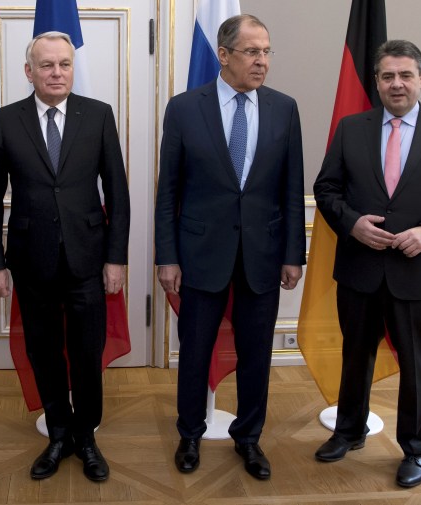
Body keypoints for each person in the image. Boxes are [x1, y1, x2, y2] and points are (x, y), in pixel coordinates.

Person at [313, 40, 421, 488]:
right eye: (388, 76)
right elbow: (326, 189)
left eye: (406, 75)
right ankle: (348, 432)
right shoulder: (351, 128)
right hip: (360, 269)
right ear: (377, 81)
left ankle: (417, 448)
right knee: (355, 357)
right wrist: (352, 225)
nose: (397, 84)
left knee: (417, 363)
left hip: (419, 272)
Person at [154, 14, 305, 479]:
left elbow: (291, 186)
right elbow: (169, 191)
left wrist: (292, 253)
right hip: (200, 255)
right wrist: (167, 255)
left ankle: (249, 438)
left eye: (266, 52)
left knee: (257, 354)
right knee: (195, 350)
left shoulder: (284, 108)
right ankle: (190, 434)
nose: (262, 62)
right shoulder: (184, 108)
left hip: (263, 253)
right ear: (223, 55)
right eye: (252, 52)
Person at [0, 31, 130, 482]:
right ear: (30, 72)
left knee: (86, 351)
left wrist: (116, 257)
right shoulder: (6, 120)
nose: (57, 72)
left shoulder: (98, 115)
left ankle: (87, 436)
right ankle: (58, 433)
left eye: (64, 64)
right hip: (30, 259)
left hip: (88, 257)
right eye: (47, 65)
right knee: (43, 351)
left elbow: (116, 194)